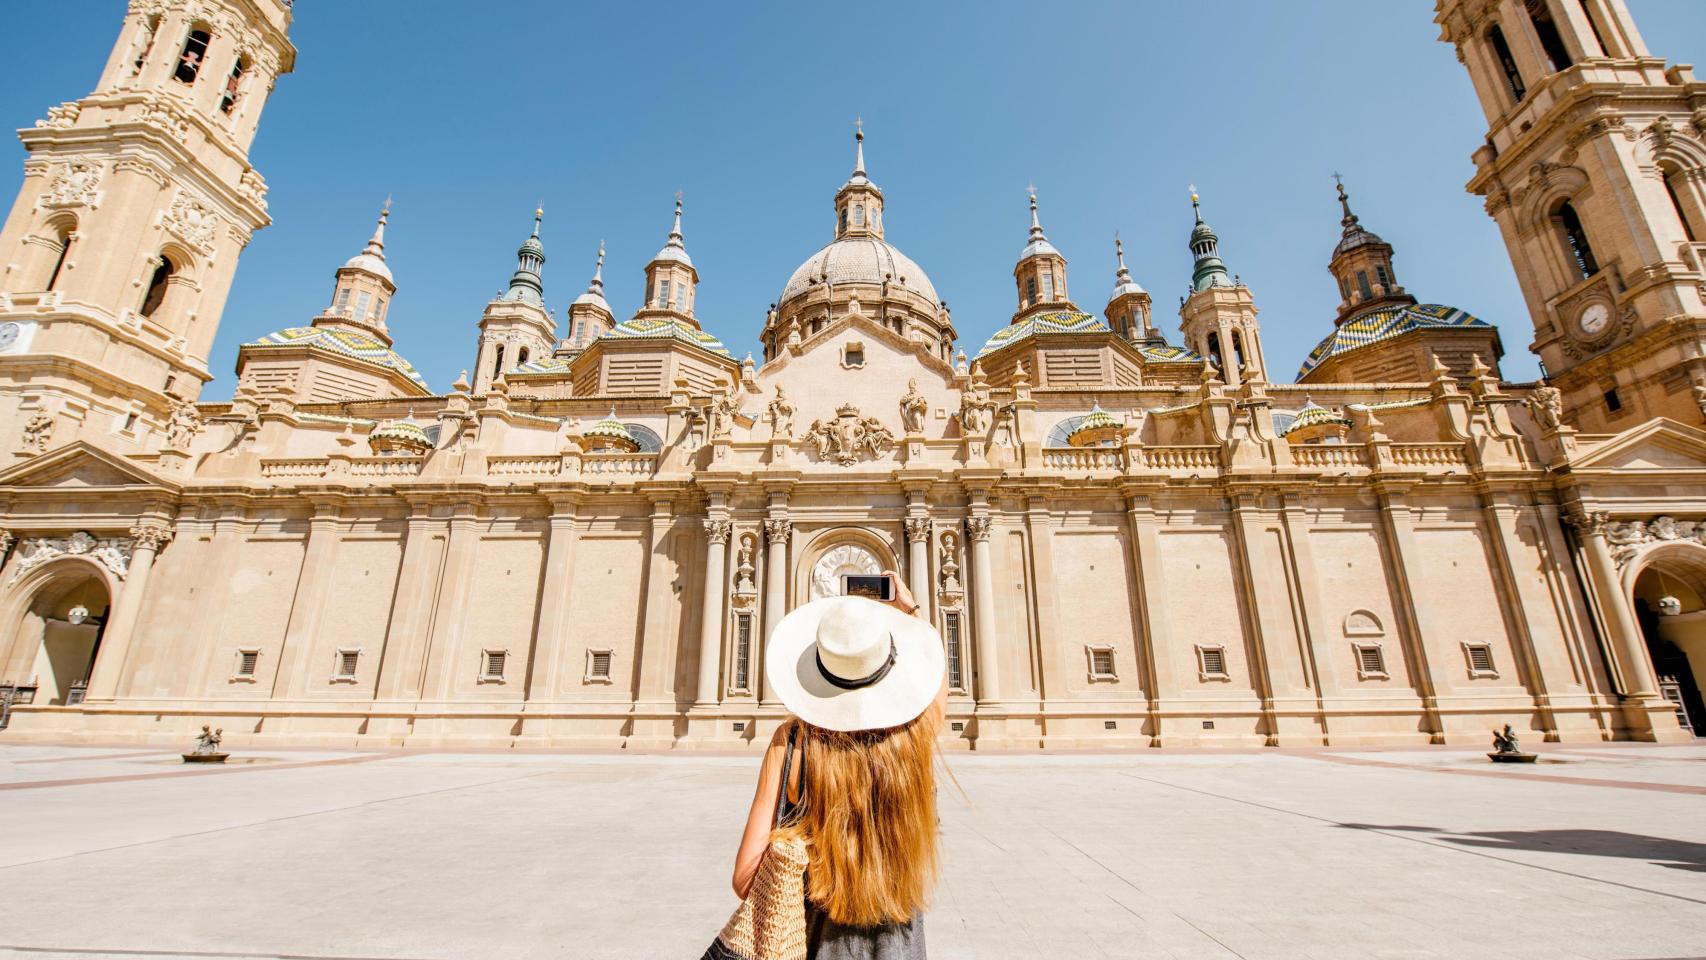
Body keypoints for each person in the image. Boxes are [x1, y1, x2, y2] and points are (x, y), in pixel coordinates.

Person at [715, 571, 945, 960]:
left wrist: (806, 835)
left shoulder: (790, 746)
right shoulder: (916, 738)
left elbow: (744, 880)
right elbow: (933, 681)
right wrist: (911, 611)